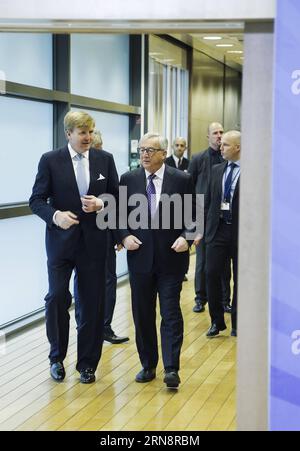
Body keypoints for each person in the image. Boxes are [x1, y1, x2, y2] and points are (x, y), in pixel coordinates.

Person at [29, 111, 119, 384]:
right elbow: (36, 199)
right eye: (82, 132)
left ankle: (87, 364)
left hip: (94, 243)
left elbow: (116, 195)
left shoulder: (105, 159)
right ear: (68, 134)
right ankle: (56, 358)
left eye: (90, 131)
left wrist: (101, 204)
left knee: (92, 302)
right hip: (60, 243)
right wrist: (55, 216)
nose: (88, 137)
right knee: (57, 297)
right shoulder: (50, 160)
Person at [119, 132, 195, 389]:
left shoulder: (182, 179)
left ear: (163, 153)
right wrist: (124, 236)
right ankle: (148, 364)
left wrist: (188, 238)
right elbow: (118, 215)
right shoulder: (128, 179)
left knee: (171, 312)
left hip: (171, 259)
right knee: (142, 314)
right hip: (139, 258)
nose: (145, 154)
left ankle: (171, 368)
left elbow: (195, 215)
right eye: (142, 150)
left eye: (150, 150)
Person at [73, 130, 129, 344]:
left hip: (105, 234)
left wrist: (118, 236)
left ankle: (104, 325)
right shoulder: (75, 167)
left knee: (108, 280)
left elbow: (115, 201)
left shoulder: (105, 163)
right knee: (84, 282)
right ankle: (85, 324)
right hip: (81, 236)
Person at [188, 122, 231, 313]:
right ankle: (200, 298)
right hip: (202, 214)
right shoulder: (197, 158)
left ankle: (225, 300)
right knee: (202, 260)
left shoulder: (229, 158)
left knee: (224, 262)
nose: (219, 135)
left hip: (224, 215)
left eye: (222, 132)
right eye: (215, 133)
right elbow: (190, 187)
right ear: (208, 137)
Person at [205, 130, 241, 338]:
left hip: (240, 233)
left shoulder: (252, 171)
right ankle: (216, 321)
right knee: (211, 274)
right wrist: (201, 229)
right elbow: (208, 201)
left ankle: (238, 321)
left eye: (226, 145)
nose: (221, 147)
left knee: (239, 278)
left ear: (238, 147)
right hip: (217, 230)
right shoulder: (217, 169)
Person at [165, 137, 190, 281]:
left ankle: (182, 271)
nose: (179, 148)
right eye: (177, 145)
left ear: (185, 148)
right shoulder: (165, 162)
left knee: (181, 241)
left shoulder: (189, 164)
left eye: (182, 145)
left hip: (182, 207)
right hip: (167, 205)